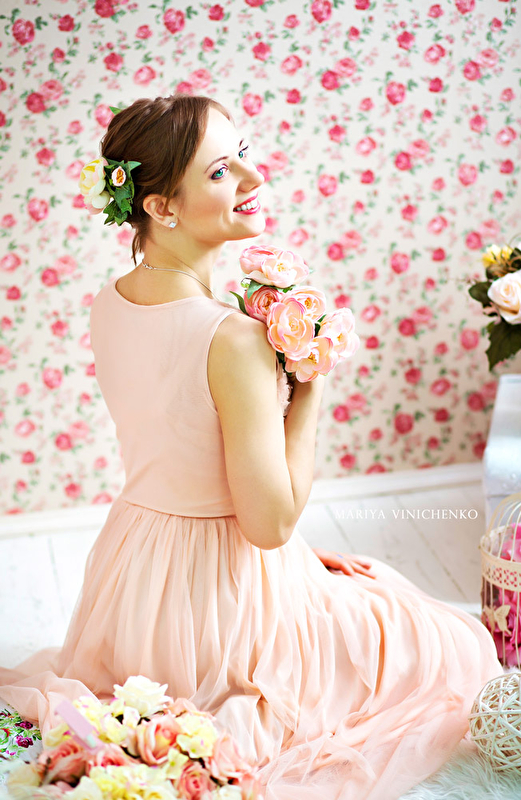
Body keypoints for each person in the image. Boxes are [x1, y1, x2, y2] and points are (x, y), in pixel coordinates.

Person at [0, 93, 503, 800]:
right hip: (222, 602)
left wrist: (298, 562)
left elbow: (188, 455)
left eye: (243, 155)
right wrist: (310, 383)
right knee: (448, 644)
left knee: (362, 587)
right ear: (160, 207)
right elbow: (269, 526)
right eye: (219, 171)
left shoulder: (111, 300)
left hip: (133, 585)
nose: (252, 177)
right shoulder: (230, 338)